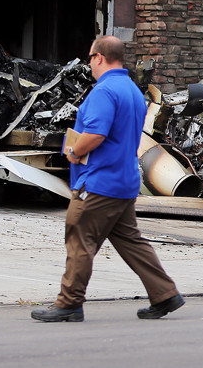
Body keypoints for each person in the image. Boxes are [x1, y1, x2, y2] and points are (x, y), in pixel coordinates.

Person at [32, 36, 185, 322]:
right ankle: (165, 294)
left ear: (99, 57)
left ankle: (69, 303)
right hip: (124, 180)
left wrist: (74, 152)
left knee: (79, 238)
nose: (89, 64)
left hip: (99, 183)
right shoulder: (133, 91)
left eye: (90, 58)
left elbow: (96, 134)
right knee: (131, 241)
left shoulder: (104, 91)